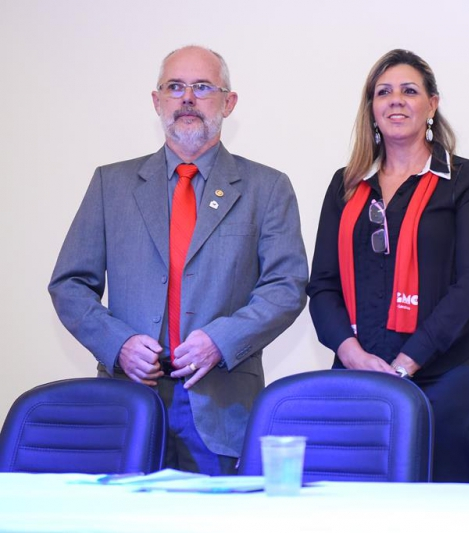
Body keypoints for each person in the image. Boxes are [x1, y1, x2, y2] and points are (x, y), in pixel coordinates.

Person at [48, 46, 308, 475]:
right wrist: (119, 345)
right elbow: (69, 284)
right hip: (129, 396)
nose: (187, 98)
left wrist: (220, 341)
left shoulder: (267, 188)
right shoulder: (110, 184)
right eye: (175, 87)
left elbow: (286, 287)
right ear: (157, 101)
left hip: (222, 401)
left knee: (215, 512)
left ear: (229, 102)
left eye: (202, 87)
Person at [306, 49, 469, 483]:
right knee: (354, 505)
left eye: (409, 91)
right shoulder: (345, 185)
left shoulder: (466, 180)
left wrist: (407, 363)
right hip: (358, 375)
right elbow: (322, 285)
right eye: (384, 92)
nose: (396, 100)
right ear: (371, 109)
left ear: (432, 105)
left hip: (445, 380)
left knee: (444, 510)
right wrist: (350, 353)